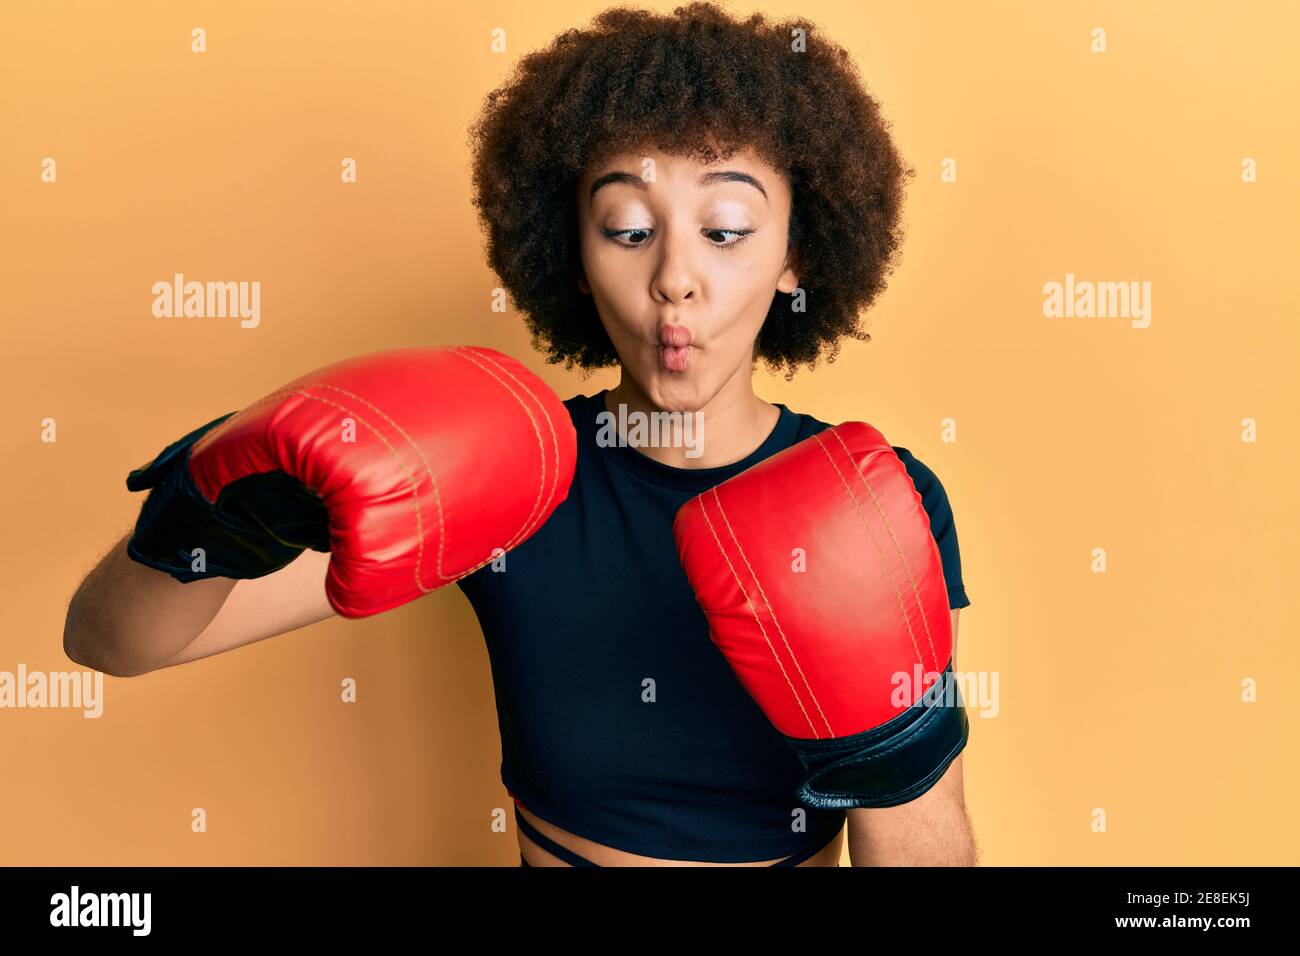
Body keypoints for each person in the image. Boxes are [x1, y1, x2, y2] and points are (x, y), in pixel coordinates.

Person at [63, 3, 975, 867]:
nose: (675, 280)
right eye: (626, 229)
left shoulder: (880, 501)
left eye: (726, 230)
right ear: (572, 255)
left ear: (797, 258)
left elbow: (927, 839)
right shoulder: (518, 474)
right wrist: (208, 508)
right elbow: (113, 645)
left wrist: (895, 755)